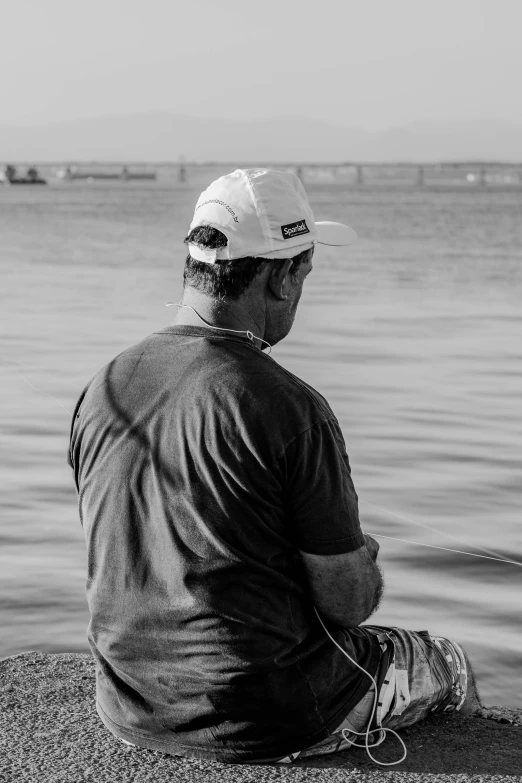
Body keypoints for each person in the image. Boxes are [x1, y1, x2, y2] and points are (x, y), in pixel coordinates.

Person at [67, 168, 481, 765]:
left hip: (128, 706)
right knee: (448, 663)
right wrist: (360, 560)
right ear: (284, 276)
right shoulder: (289, 406)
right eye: (305, 272)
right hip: (265, 715)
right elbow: (348, 605)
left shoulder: (103, 387)